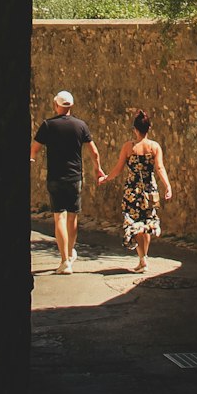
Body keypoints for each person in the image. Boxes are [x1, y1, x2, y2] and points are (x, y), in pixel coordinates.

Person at [30, 90, 106, 273]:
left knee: (59, 217)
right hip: (74, 177)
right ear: (71, 106)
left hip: (55, 177)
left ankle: (64, 260)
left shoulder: (48, 125)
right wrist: (98, 169)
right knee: (72, 216)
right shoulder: (80, 126)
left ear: (56, 105)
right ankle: (70, 254)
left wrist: (32, 157)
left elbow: (34, 148)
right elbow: (94, 152)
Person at [104, 109, 172, 272]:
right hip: (149, 188)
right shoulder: (154, 147)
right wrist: (168, 186)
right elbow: (160, 168)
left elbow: (119, 168)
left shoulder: (129, 147)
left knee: (135, 223)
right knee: (147, 223)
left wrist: (106, 178)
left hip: (133, 189)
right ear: (149, 129)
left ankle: (142, 259)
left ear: (135, 129)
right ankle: (144, 258)